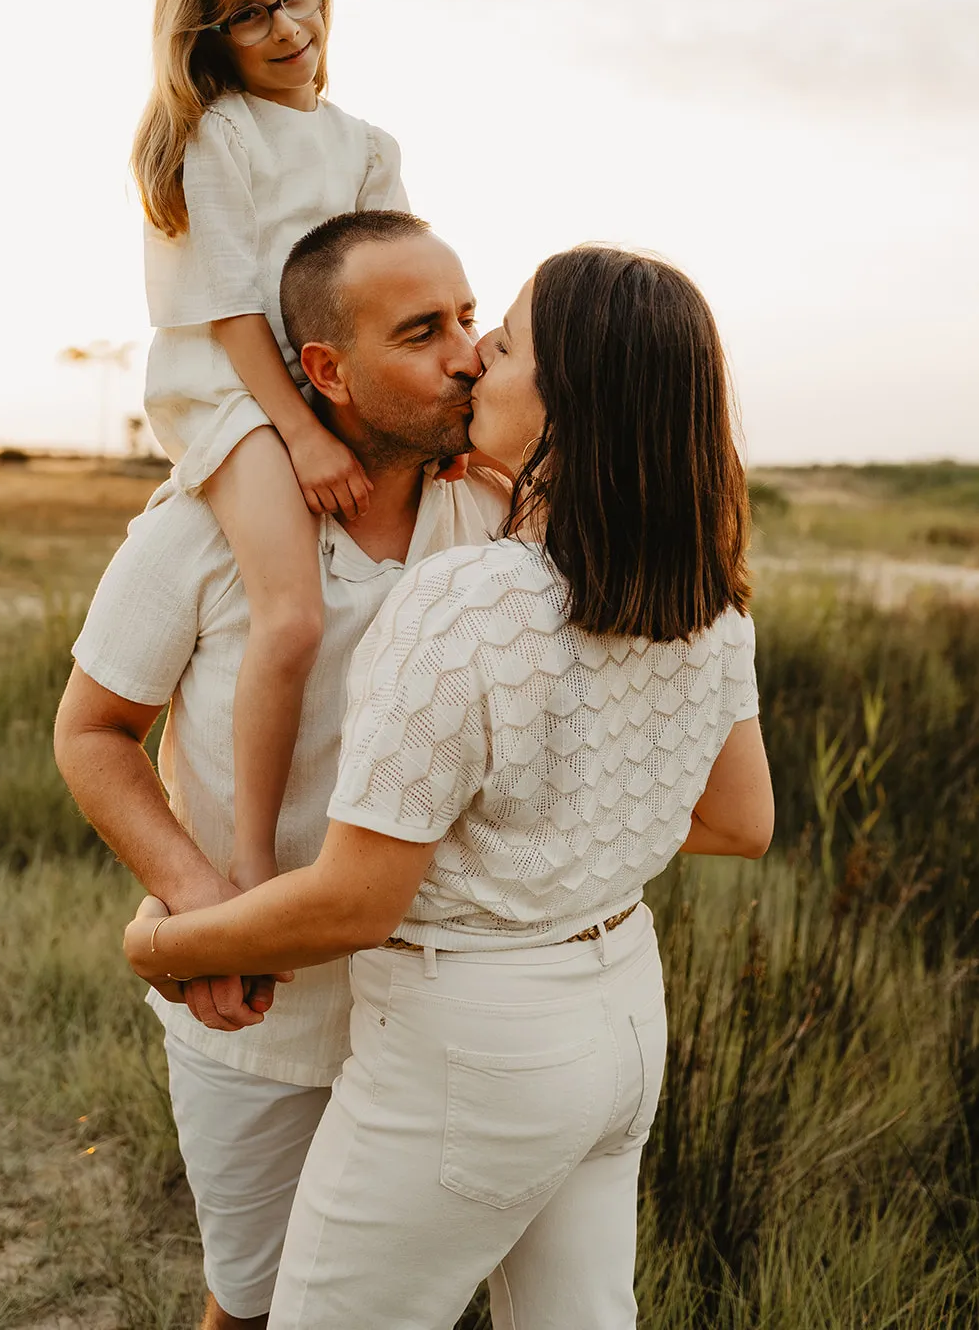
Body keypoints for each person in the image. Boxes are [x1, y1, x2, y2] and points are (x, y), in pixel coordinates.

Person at [124, 244, 775, 1330]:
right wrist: (552, 846)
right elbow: (738, 820)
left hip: (473, 1047)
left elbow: (357, 899)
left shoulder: (465, 598)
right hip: (618, 1020)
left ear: (567, 404)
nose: (475, 361)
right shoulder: (705, 595)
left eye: (504, 343)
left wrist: (160, 947)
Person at [54, 210, 509, 1330]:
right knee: (250, 1306)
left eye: (464, 316)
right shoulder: (204, 528)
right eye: (419, 332)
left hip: (449, 1013)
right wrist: (206, 904)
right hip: (264, 1020)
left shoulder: (501, 517)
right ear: (325, 370)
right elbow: (93, 729)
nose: (466, 350)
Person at [132, 0, 408, 892]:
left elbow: (392, 297)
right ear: (209, 35)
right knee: (290, 617)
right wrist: (302, 436)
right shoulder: (221, 135)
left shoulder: (368, 148)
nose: (289, 26)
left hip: (328, 393)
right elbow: (234, 313)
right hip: (234, 392)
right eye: (251, 14)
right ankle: (248, 857)